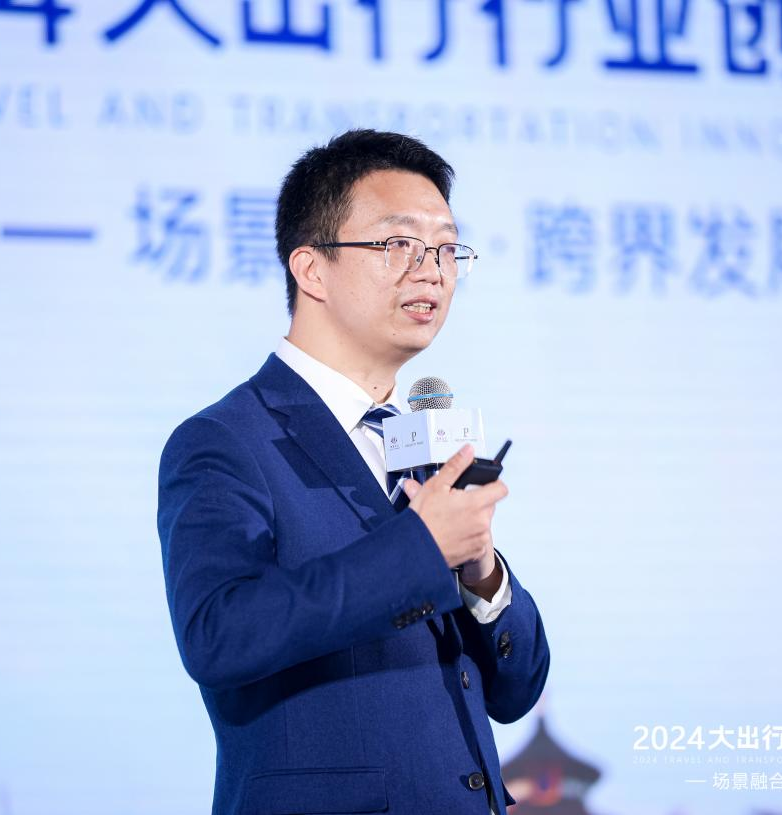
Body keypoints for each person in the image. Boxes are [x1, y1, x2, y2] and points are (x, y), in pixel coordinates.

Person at [157, 129, 550, 815]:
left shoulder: (420, 440)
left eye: (446, 248)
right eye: (399, 245)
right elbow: (219, 635)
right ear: (311, 269)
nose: (431, 270)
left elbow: (514, 692)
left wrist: (481, 573)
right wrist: (421, 549)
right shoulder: (225, 440)